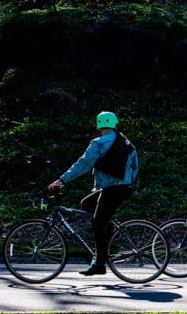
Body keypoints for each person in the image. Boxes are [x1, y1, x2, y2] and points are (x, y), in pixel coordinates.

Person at [48, 111, 138, 276]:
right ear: (115, 123)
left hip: (112, 189)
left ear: (99, 125)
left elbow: (83, 164)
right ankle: (107, 233)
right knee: (87, 203)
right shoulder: (126, 143)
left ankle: (100, 263)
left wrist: (62, 180)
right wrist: (127, 182)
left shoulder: (98, 143)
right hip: (123, 187)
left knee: (97, 224)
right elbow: (134, 166)